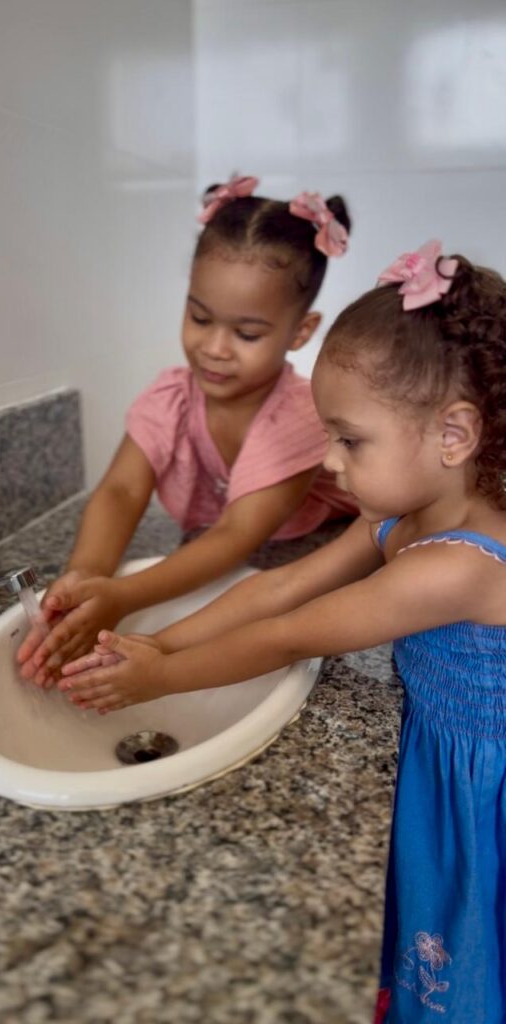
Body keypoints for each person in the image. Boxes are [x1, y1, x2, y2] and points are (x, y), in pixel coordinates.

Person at [60, 240, 506, 1023]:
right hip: (441, 745)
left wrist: (159, 678)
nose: (329, 462)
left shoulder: (455, 565)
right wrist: (161, 644)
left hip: (476, 778)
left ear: (454, 435)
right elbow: (281, 584)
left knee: (465, 938)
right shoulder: (401, 516)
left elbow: (294, 634)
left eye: (349, 439)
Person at [17, 175, 355, 685]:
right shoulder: (173, 396)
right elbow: (121, 490)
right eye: (200, 317)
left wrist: (124, 597)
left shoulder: (300, 414)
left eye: (246, 333)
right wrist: (87, 573)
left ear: (300, 332)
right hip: (248, 549)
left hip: (323, 545)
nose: (215, 347)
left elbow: (238, 534)